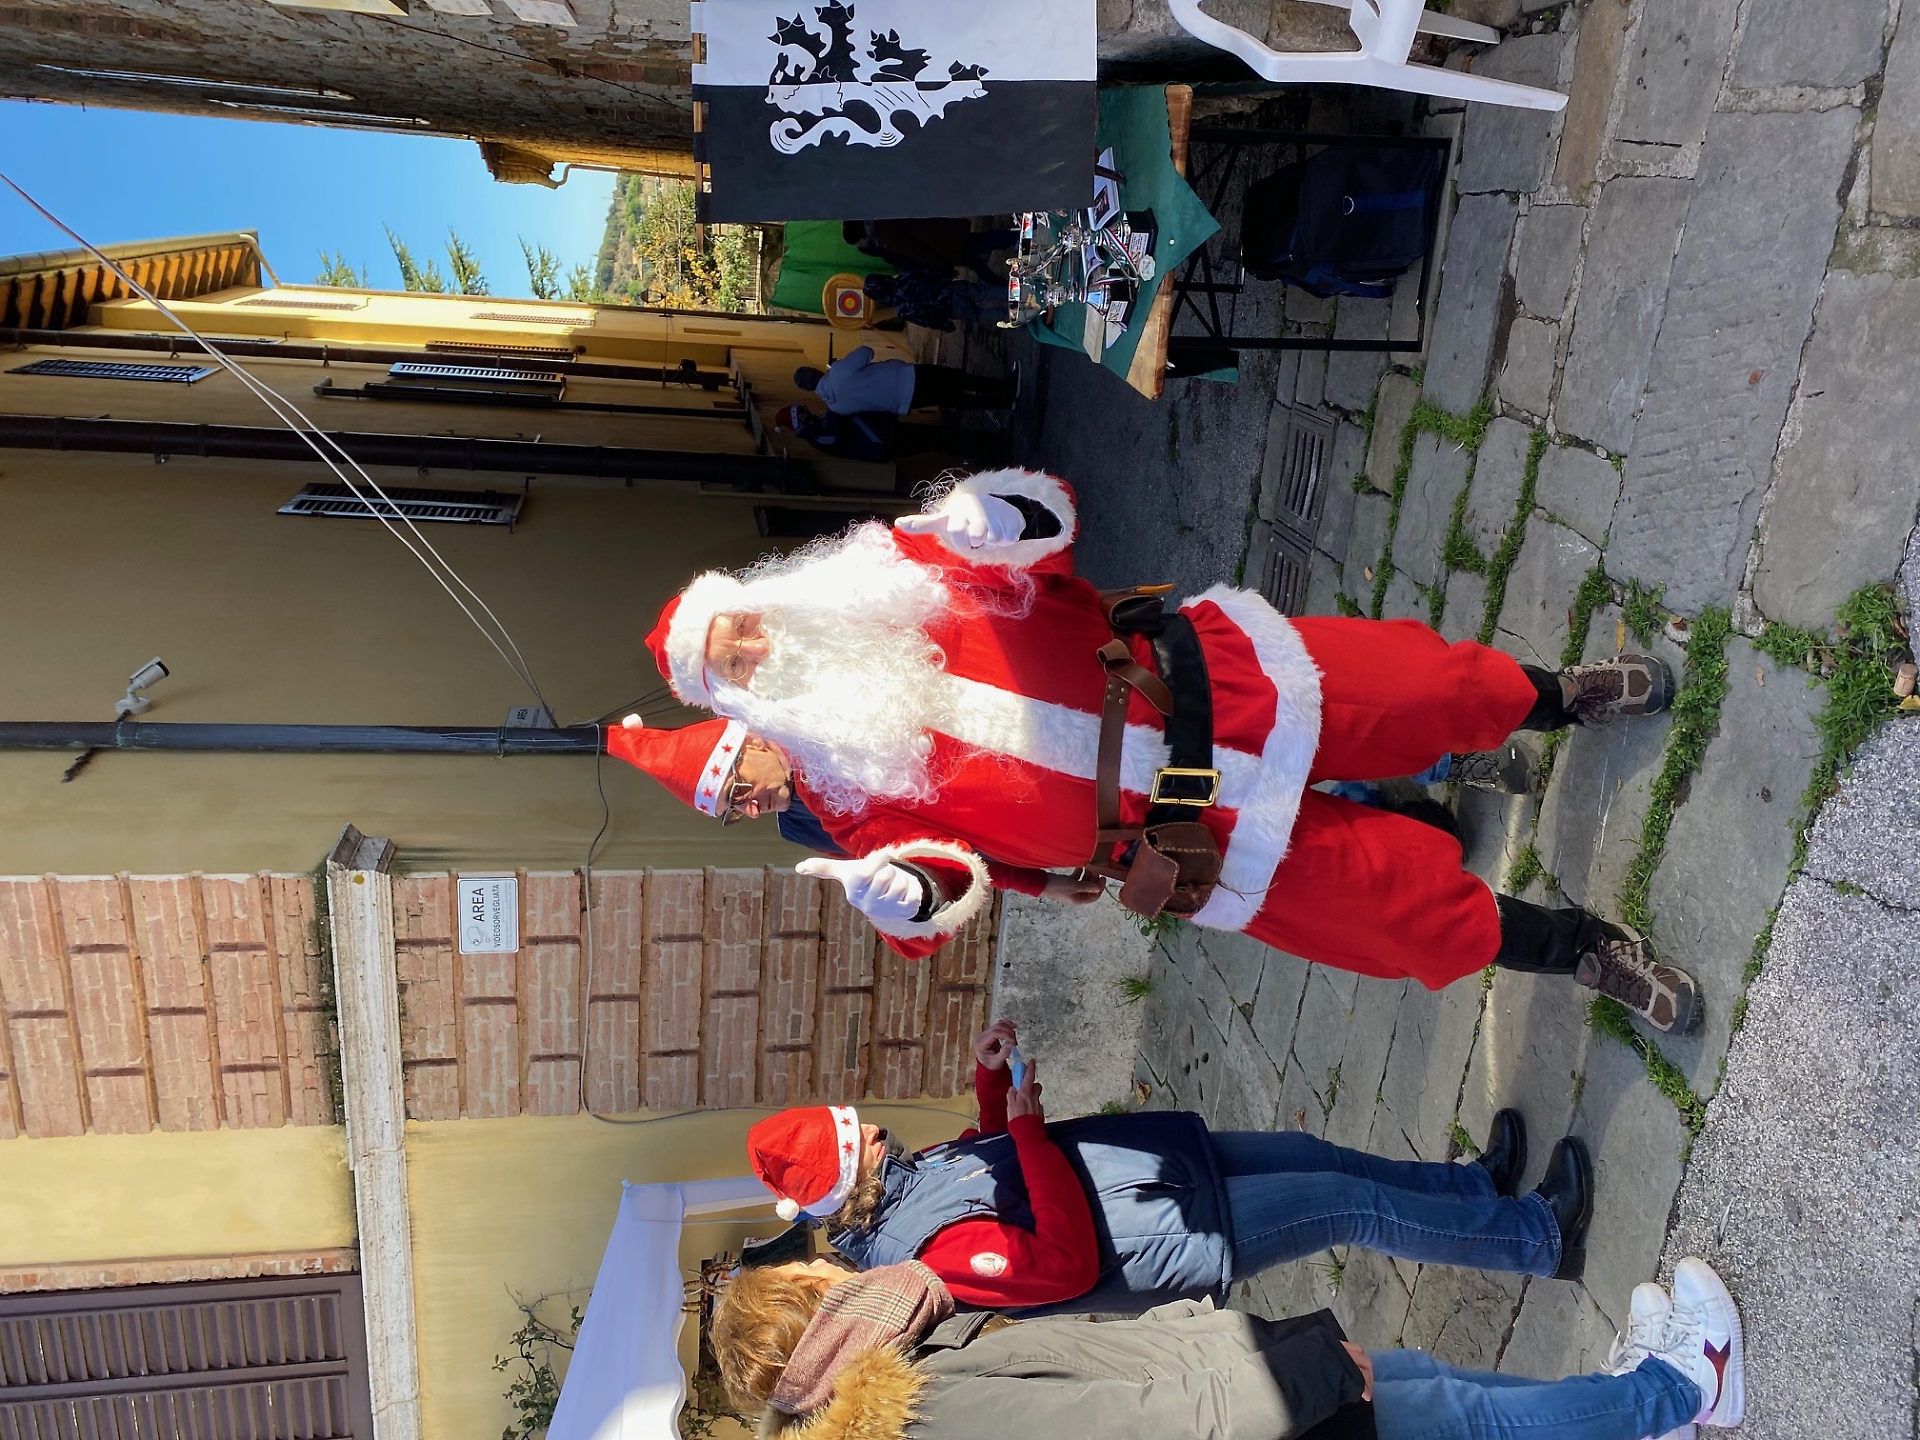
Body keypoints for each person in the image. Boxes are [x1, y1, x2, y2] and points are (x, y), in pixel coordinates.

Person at [612, 469, 1701, 1032]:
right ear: (739, 701)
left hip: (1215, 685)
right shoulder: (851, 799)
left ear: (758, 597)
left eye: (739, 627)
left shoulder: (903, 568)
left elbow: (1044, 528)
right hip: (1185, 840)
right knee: (1394, 916)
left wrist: (995, 516)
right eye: (732, 667)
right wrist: (909, 895)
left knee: (1428, 689)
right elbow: (947, 875)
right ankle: (1582, 951)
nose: (756, 650)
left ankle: (1562, 697)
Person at [742, 1020, 1596, 1312]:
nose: (879, 1130)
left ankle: (1471, 1190)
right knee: (1346, 1205)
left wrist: (991, 1082)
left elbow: (990, 1164)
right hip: (1162, 1236)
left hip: (1153, 1176)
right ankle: (1533, 1238)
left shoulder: (902, 1189)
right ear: (852, 1175)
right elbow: (1064, 1265)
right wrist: (1032, 1136)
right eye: (863, 1137)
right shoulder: (924, 1257)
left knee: (1318, 1157)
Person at [708, 1253, 1746, 1440]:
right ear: (812, 1313)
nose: (835, 1265)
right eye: (814, 1276)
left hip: (1252, 1375)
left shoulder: (915, 1377)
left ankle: (1621, 1401)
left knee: (1440, 1385)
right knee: (1466, 1418)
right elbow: (1138, 1426)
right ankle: (1680, 1390)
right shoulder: (921, 1411)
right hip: (1276, 1409)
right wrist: (1307, 1378)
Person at [794, 350, 1014, 418]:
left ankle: (1001, 402)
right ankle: (1003, 386)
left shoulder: (835, 407)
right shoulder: (838, 372)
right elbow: (866, 352)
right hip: (907, 377)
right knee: (957, 379)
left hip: (904, 402)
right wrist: (838, 364)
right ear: (815, 371)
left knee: (955, 399)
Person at [778, 404, 1007, 468]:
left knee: (938, 438)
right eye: (802, 411)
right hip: (886, 440)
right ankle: (989, 447)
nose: (807, 410)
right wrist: (835, 410)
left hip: (887, 436)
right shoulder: (818, 435)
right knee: (939, 439)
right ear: (800, 420)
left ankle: (985, 445)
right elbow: (841, 430)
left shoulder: (818, 429)